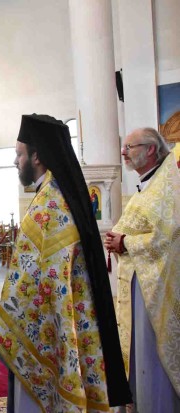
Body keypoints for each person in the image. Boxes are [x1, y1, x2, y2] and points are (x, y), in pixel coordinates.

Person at [0, 114, 132, 412]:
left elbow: (40, 273)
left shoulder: (51, 203)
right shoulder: (55, 192)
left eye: (19, 154)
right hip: (63, 310)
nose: (16, 161)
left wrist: (10, 314)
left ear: (36, 156)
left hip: (48, 319)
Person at [104, 127, 180, 413]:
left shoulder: (167, 184)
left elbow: (171, 235)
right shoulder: (150, 184)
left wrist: (126, 242)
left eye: (130, 147)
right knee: (138, 350)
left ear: (150, 150)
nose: (123, 152)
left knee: (150, 351)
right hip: (139, 281)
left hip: (155, 287)